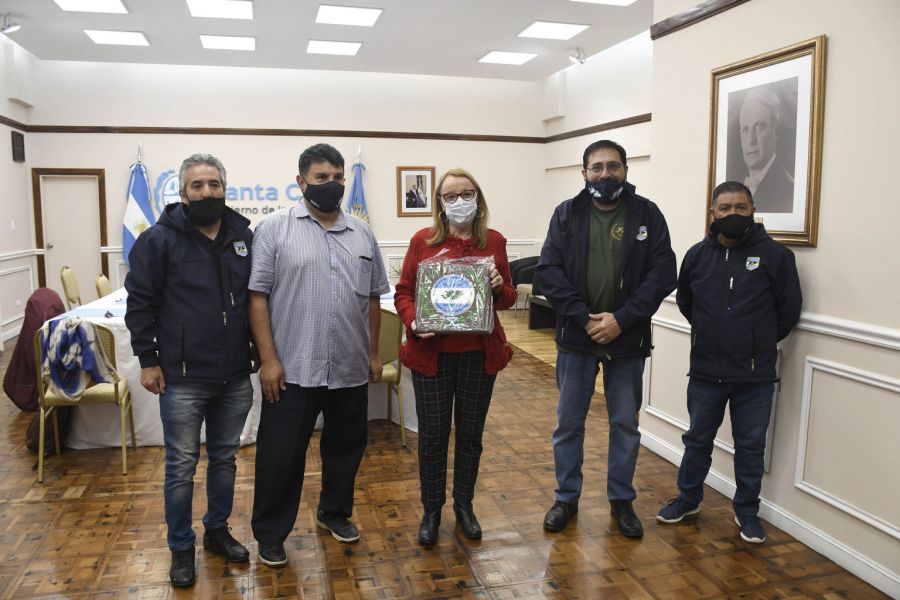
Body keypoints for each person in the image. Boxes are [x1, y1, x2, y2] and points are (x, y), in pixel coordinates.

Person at [249, 143, 389, 567]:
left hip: (348, 365)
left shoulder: (362, 233)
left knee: (346, 449)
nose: (331, 185)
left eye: (337, 177)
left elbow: (371, 298)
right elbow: (257, 299)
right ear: (301, 182)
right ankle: (271, 534)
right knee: (280, 457)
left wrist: (373, 353)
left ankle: (334, 513)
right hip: (293, 368)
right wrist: (269, 360)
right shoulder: (274, 229)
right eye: (321, 178)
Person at [125, 153, 255, 588]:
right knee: (181, 466)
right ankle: (181, 546)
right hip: (182, 377)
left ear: (224, 189)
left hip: (235, 375)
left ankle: (217, 532)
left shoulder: (243, 236)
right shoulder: (158, 240)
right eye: (197, 186)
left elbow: (255, 300)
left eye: (214, 184)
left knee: (225, 460)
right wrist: (148, 359)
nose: (207, 192)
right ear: (183, 193)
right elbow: (140, 305)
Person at [537, 139, 676, 539]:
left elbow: (663, 273)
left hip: (627, 339)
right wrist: (585, 319)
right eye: (596, 167)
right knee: (568, 424)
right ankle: (566, 498)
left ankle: (622, 500)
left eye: (612, 166)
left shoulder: (647, 214)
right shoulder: (566, 214)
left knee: (624, 424)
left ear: (626, 171)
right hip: (577, 339)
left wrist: (621, 319)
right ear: (583, 174)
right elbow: (549, 272)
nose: (604, 174)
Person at [656, 181, 801, 544]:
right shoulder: (696, 256)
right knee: (697, 441)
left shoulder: (777, 256)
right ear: (713, 213)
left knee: (750, 447)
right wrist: (712, 335)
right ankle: (688, 500)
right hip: (705, 372)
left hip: (754, 377)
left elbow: (788, 312)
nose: (733, 214)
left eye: (740, 207)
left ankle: (747, 513)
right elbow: (688, 304)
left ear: (753, 210)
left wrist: (757, 342)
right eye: (725, 208)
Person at [394, 167, 517, 545]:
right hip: (432, 356)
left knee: (470, 436)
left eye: (467, 194)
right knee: (431, 437)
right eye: (450, 196)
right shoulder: (423, 241)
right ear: (440, 203)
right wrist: (415, 322)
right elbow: (404, 293)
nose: (459, 201)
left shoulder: (494, 241)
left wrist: (498, 288)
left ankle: (464, 504)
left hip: (479, 358)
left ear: (478, 199)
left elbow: (509, 299)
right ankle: (432, 510)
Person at [738, 87, 794, 213]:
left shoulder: (789, 191)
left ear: (775, 133)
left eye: (759, 127)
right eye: (745, 130)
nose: (751, 140)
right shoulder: (737, 188)